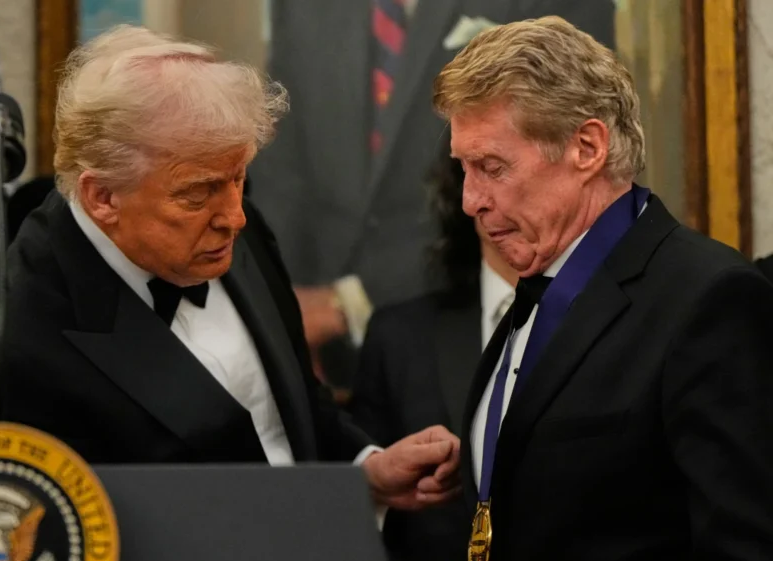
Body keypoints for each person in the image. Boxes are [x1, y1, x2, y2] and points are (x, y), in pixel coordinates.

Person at [0, 25, 483, 561]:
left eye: (240, 179)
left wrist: (362, 471)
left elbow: (286, 407)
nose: (236, 216)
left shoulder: (222, 220)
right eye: (198, 193)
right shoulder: (6, 350)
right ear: (101, 196)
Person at [433, 15, 773, 561]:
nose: (471, 200)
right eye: (464, 170)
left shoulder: (708, 299)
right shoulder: (539, 286)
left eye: (491, 167)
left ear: (587, 146)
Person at [248, 0, 615, 389]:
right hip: (316, 357)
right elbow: (280, 172)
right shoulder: (301, 9)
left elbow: (557, 176)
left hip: (475, 336)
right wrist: (279, 311)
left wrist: (348, 301)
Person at [351, 141, 516, 561]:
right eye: (480, 173)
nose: (489, 196)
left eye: (506, 169)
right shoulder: (399, 337)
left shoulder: (631, 327)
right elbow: (363, 528)